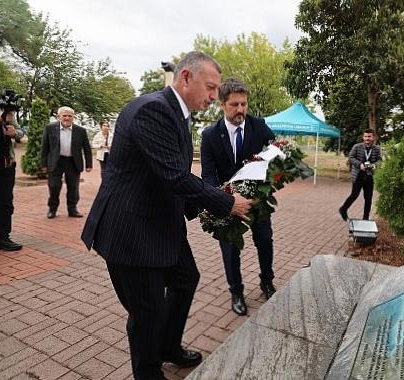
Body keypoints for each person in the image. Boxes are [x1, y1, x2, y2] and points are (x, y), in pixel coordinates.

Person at [81, 51, 252, 380]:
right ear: (186, 77)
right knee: (147, 313)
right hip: (132, 231)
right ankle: (149, 372)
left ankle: (168, 347)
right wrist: (226, 203)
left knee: (186, 278)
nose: (215, 96)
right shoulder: (155, 110)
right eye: (211, 87)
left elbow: (169, 176)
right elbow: (175, 176)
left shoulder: (178, 113)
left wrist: (204, 211)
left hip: (159, 222)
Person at [200, 77, 276, 316]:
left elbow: (274, 154)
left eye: (244, 104)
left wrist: (269, 180)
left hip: (257, 202)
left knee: (264, 241)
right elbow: (208, 175)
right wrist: (224, 201)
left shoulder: (259, 126)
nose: (241, 109)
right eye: (234, 104)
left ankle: (267, 282)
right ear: (222, 104)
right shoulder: (210, 135)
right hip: (228, 204)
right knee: (230, 249)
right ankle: (236, 291)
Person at [41, 106, 93, 218]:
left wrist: (89, 164)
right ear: (59, 116)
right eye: (64, 115)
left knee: (73, 187)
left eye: (70, 116)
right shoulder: (50, 128)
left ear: (73, 117)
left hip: (72, 162)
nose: (67, 118)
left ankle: (72, 209)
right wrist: (44, 164)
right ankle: (52, 209)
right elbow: (45, 147)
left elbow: (87, 148)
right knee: (54, 186)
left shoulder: (81, 131)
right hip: (56, 161)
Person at [339, 129, 382, 221]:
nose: (367, 138)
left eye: (369, 136)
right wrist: (359, 165)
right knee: (354, 195)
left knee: (368, 198)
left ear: (373, 137)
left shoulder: (377, 149)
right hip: (358, 175)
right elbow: (350, 158)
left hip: (370, 175)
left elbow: (380, 160)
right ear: (363, 137)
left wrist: (375, 165)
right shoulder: (357, 147)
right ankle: (343, 209)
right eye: (365, 136)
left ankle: (365, 217)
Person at [0, 108, 23, 251]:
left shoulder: (4, 111)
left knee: (5, 201)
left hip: (6, 164)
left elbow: (20, 132)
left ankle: (2, 237)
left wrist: (15, 133)